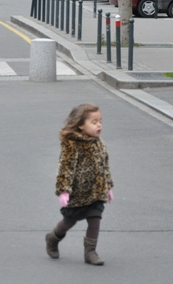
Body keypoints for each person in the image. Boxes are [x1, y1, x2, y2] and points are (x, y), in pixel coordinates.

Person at [45, 104, 114, 265]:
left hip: (96, 192)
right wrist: (64, 191)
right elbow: (65, 167)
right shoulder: (72, 144)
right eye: (94, 122)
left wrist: (108, 187)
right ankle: (53, 238)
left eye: (100, 121)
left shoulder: (99, 142)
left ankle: (90, 252)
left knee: (95, 219)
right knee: (69, 221)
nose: (99, 125)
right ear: (81, 125)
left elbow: (104, 166)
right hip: (77, 193)